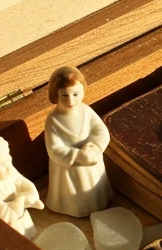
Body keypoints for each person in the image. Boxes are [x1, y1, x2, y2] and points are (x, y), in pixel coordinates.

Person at [44, 65, 113, 217]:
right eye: (64, 95)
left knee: (94, 189)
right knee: (74, 196)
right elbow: (54, 148)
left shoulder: (86, 111)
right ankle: (74, 209)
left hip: (92, 161)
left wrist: (95, 147)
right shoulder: (53, 120)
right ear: (55, 95)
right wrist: (77, 156)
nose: (71, 100)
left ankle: (97, 203)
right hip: (68, 169)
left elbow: (100, 130)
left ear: (83, 91)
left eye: (75, 94)